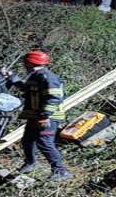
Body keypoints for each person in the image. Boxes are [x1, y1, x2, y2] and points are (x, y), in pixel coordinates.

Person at [4, 51, 70, 180]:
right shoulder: (36, 76)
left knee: (44, 142)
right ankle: (31, 163)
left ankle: (61, 171)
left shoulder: (47, 77)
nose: (24, 66)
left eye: (25, 63)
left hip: (47, 117)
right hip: (36, 116)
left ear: (29, 63)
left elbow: (54, 98)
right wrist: (13, 78)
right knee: (27, 140)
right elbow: (27, 89)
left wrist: (45, 116)